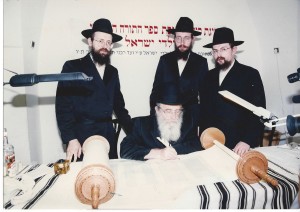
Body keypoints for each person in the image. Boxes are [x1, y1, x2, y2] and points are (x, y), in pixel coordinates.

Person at [55, 18, 133, 161]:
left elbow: (120, 108)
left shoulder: (112, 72)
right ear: (90, 41)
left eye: (109, 42)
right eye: (100, 41)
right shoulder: (72, 67)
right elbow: (63, 107)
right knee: (82, 179)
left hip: (107, 136)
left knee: (110, 178)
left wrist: (135, 134)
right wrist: (71, 139)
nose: (105, 46)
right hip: (82, 137)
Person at [200, 27, 266, 156]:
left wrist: (247, 141)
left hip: (240, 146)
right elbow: (204, 112)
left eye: (223, 49)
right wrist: (204, 138)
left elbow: (260, 112)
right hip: (213, 145)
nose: (219, 54)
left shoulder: (250, 74)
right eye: (215, 50)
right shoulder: (208, 77)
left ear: (234, 49)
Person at [149, 17, 208, 130]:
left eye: (186, 38)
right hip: (167, 121)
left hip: (190, 121)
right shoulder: (164, 60)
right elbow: (155, 92)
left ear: (193, 39)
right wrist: (155, 118)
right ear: (174, 38)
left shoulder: (201, 62)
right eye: (178, 38)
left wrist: (201, 125)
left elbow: (205, 97)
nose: (182, 43)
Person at [120, 82, 202, 161]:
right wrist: (158, 153)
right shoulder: (142, 125)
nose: (173, 117)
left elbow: (196, 144)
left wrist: (174, 150)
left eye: (177, 111)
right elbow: (125, 149)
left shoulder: (187, 123)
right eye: (168, 111)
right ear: (157, 110)